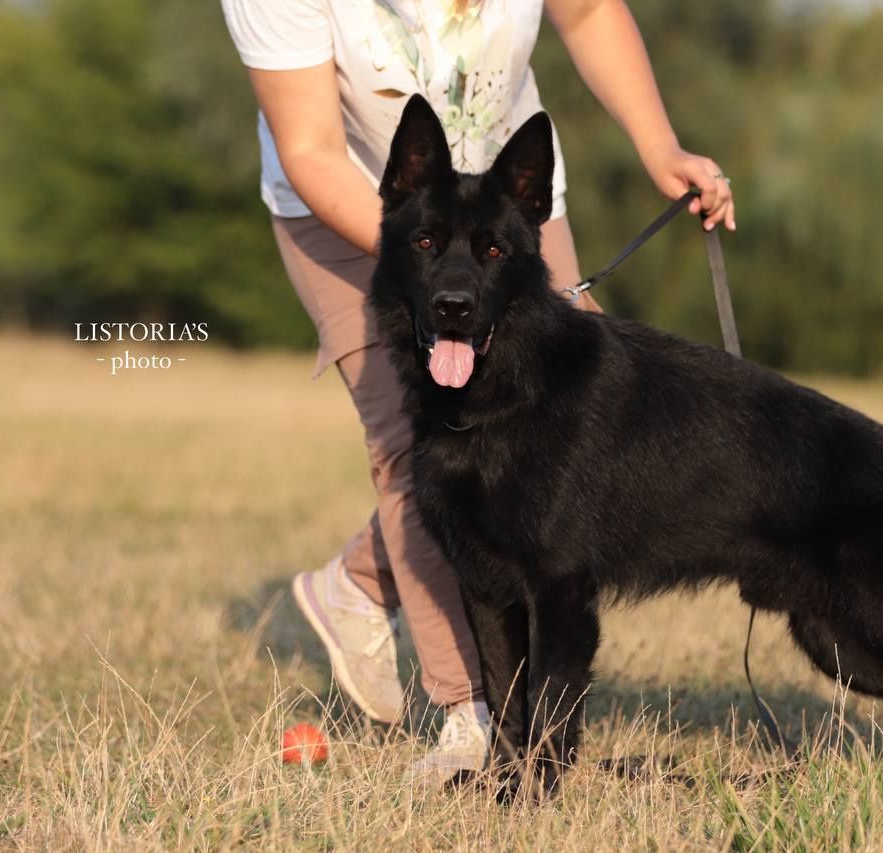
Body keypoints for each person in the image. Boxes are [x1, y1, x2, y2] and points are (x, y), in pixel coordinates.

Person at [220, 0, 734, 785]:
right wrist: (436, 268)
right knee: (411, 435)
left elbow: (591, 12)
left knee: (568, 421)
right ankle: (474, 713)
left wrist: (659, 145)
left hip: (503, 195)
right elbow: (313, 148)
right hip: (352, 198)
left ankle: (359, 582)